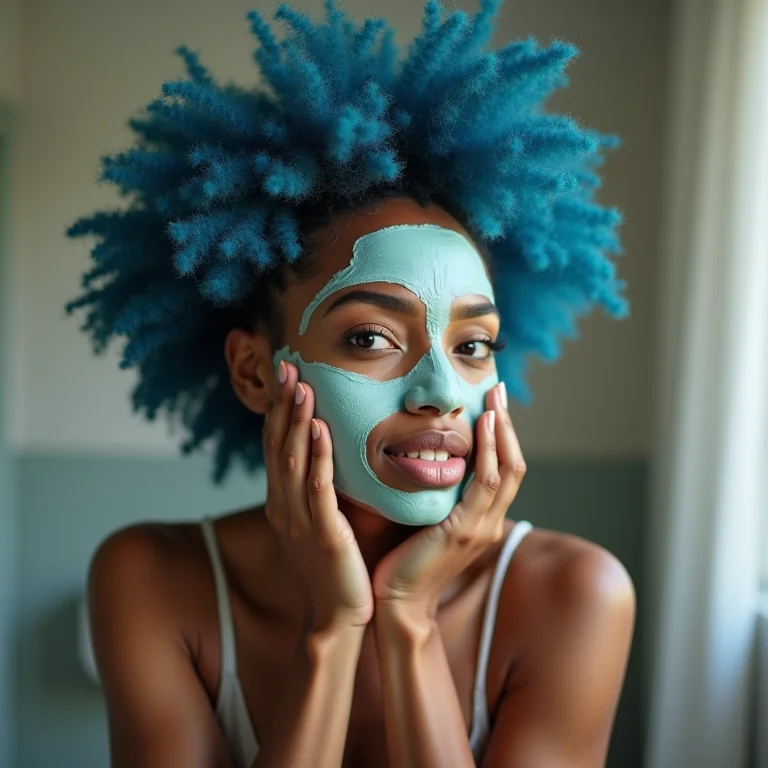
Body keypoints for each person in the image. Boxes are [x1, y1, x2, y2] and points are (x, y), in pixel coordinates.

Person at [68, 2, 636, 766]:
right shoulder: (152, 580)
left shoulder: (576, 596)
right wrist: (333, 631)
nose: (440, 391)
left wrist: (409, 620)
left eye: (474, 344)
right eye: (371, 337)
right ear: (254, 372)